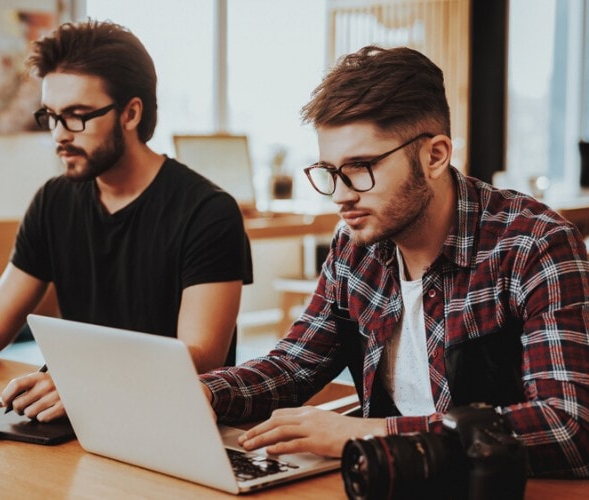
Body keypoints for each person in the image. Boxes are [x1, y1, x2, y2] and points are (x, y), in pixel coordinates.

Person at [200, 45, 589, 478]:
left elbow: (567, 426)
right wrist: (205, 394)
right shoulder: (356, 244)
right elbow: (295, 364)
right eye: (330, 171)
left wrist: (367, 433)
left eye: (361, 167)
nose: (342, 194)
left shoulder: (534, 244)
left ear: (435, 156)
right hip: (386, 480)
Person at [0, 19, 252, 422]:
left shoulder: (209, 212)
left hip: (170, 419)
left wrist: (85, 381)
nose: (59, 135)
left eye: (76, 116)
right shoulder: (54, 201)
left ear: (131, 113)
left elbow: (198, 356)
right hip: (82, 416)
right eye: (51, 116)